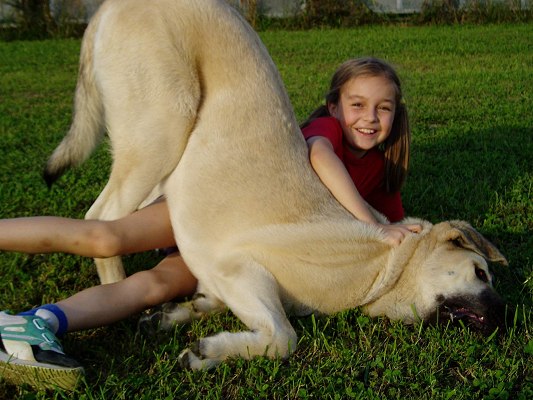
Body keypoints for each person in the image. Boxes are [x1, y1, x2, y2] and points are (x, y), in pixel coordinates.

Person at [0, 57, 420, 390]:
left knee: (154, 287)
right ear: (334, 106)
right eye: (357, 105)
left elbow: (395, 233)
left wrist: (396, 239)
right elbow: (318, 155)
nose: (369, 118)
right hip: (214, 203)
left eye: (383, 108)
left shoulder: (382, 176)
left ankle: (37, 322)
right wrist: (371, 225)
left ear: (396, 113)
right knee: (105, 238)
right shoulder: (326, 130)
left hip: (233, 245)